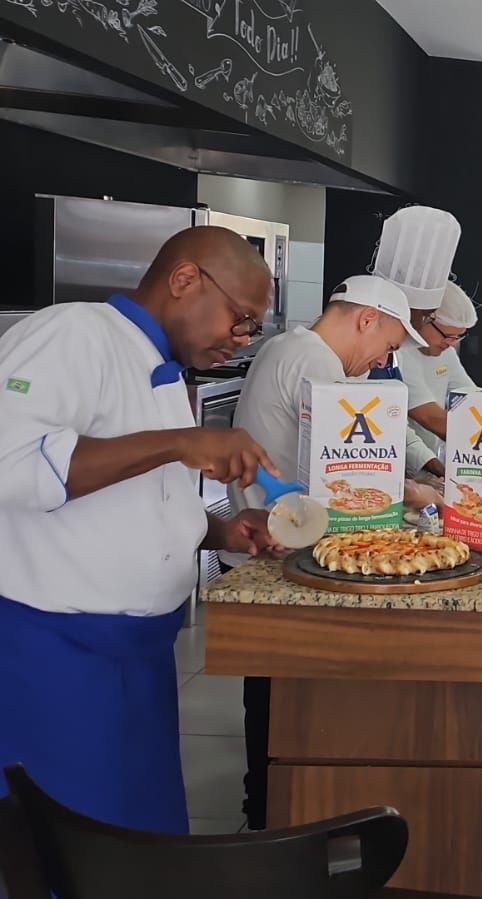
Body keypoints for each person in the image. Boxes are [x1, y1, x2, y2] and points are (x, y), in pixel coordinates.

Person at [0, 226, 286, 834]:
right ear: (185, 280)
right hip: (57, 660)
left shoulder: (161, 370)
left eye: (252, 329)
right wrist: (181, 442)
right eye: (240, 319)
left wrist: (223, 532)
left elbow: (140, 505)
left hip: (141, 665)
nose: (241, 340)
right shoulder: (73, 333)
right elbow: (12, 467)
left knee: (138, 851)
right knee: (66, 853)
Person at [229, 273, 428, 829]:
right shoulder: (315, 363)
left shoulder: (290, 347)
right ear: (366, 319)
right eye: (388, 346)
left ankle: (263, 801)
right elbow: (353, 472)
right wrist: (414, 493)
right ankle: (271, 811)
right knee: (280, 697)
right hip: (282, 549)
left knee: (269, 692)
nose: (381, 361)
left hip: (279, 536)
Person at [396, 281, 479, 477]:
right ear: (423, 318)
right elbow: (429, 416)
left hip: (430, 465)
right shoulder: (397, 352)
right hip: (400, 466)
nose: (451, 344)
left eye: (458, 337)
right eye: (447, 336)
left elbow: (473, 400)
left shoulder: (445, 352)